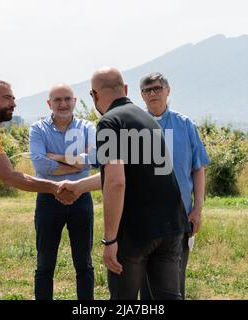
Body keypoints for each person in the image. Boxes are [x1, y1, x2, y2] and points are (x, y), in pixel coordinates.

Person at [59, 67, 191, 300]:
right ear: (126, 90)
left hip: (136, 231)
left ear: (94, 95)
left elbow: (116, 182)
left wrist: (110, 239)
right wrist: (79, 187)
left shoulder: (109, 123)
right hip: (171, 225)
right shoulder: (148, 121)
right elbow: (135, 173)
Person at [0, 80, 76, 258]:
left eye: (13, 99)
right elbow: (10, 177)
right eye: (6, 98)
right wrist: (54, 187)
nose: (13, 104)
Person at [139, 72, 210, 300]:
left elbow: (198, 168)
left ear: (168, 91)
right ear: (141, 95)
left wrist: (197, 209)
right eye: (147, 90)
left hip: (179, 217)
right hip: (144, 218)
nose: (153, 93)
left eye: (158, 88)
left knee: (175, 284)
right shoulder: (134, 125)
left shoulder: (185, 125)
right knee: (146, 287)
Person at [29, 84, 97, 300]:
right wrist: (78, 164)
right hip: (48, 198)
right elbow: (40, 165)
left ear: (75, 101)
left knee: (84, 263)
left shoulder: (88, 128)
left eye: (67, 99)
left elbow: (94, 160)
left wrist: (56, 157)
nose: (63, 104)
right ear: (49, 103)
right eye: (57, 100)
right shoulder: (38, 129)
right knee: (45, 263)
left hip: (81, 197)